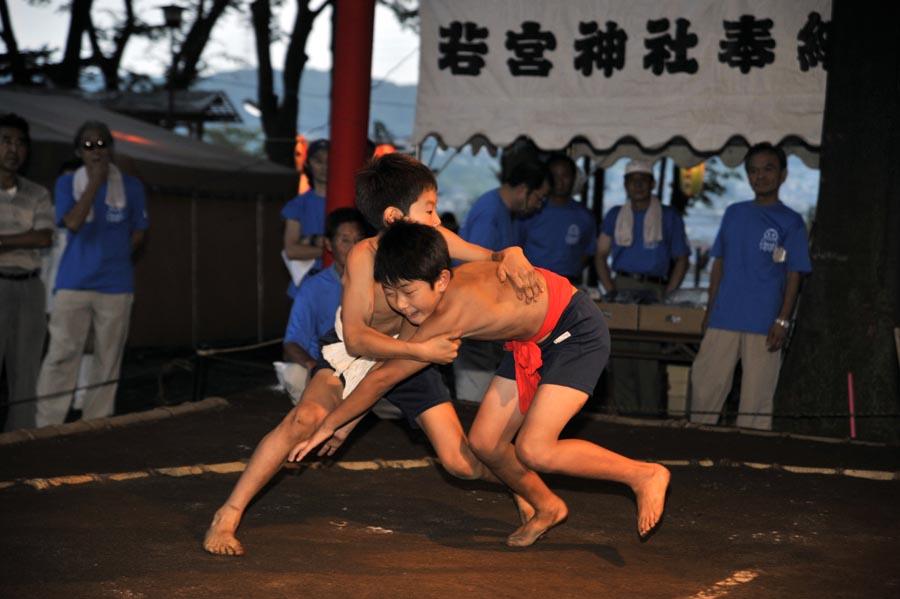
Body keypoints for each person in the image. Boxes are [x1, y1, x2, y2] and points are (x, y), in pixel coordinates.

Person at [203, 152, 542, 556]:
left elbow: (493, 257)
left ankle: (523, 485)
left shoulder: (439, 241)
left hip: (411, 359)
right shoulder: (363, 256)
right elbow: (359, 341)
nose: (437, 220)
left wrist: (513, 253)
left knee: (461, 463)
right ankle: (228, 514)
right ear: (396, 217)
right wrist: (417, 350)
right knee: (305, 419)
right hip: (361, 353)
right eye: (429, 210)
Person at [292, 221, 671, 545]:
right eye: (391, 293)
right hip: (531, 342)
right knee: (485, 443)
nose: (401, 304)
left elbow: (383, 378)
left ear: (441, 280)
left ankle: (644, 474)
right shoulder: (431, 290)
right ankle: (547, 505)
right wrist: (343, 423)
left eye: (408, 292)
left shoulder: (448, 310)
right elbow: (382, 375)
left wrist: (330, 425)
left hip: (576, 331)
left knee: (535, 449)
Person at [690, 143, 811, 431]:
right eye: (754, 170)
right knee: (705, 386)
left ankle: (751, 459)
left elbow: (795, 273)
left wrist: (783, 320)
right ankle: (694, 445)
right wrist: (710, 309)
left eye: (768, 169)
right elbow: (718, 263)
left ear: (782, 174)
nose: (761, 176)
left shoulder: (791, 221)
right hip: (724, 314)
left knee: (757, 400)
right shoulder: (734, 212)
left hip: (765, 321)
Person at [35, 120, 148, 427]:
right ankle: (48, 425)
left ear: (110, 149)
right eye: (88, 146)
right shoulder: (67, 183)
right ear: (78, 151)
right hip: (74, 282)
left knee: (107, 358)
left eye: (101, 145)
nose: (95, 151)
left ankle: (96, 425)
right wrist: (95, 183)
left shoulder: (132, 186)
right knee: (62, 354)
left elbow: (139, 231)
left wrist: (118, 256)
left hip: (116, 284)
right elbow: (71, 223)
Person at [594, 159, 690, 416]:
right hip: (622, 286)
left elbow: (682, 258)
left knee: (649, 360)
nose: (637, 185)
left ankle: (650, 419)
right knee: (621, 357)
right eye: (632, 180)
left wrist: (668, 293)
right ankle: (626, 419)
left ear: (652, 183)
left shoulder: (668, 216)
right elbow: (600, 255)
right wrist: (611, 289)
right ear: (625, 184)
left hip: (655, 290)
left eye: (643, 180)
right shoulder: (615, 215)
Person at [456, 159, 551, 403]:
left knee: (485, 389)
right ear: (523, 190)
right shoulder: (490, 211)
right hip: (474, 311)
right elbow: (476, 270)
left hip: (486, 312)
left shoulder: (503, 212)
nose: (539, 206)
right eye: (539, 198)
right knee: (475, 394)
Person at [279, 207, 367, 402]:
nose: (353, 247)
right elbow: (292, 343)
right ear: (329, 244)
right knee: (294, 375)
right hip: (324, 370)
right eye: (344, 240)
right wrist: (312, 365)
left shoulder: (378, 282)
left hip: (366, 371)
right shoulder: (313, 287)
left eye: (358, 239)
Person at [0, 113, 54, 432]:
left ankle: (19, 445)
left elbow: (44, 237)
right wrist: (24, 238)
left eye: (20, 143)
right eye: (6, 141)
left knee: (26, 374)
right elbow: (33, 236)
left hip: (30, 288)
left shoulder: (37, 193)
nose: (13, 149)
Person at [517, 154, 597, 285]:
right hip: (532, 282)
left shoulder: (585, 216)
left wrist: (570, 271)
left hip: (568, 283)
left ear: (574, 178)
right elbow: (516, 247)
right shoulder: (530, 210)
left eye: (565, 175)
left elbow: (588, 251)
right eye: (554, 175)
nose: (559, 181)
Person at [282, 138, 329, 298]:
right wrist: (333, 249)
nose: (324, 166)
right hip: (307, 285)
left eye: (329, 160)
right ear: (308, 164)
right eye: (318, 160)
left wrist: (310, 243)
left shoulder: (350, 202)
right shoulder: (297, 205)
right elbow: (292, 250)